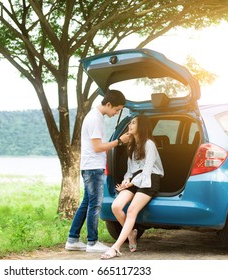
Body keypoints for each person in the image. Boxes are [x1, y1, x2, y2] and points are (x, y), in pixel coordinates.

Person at [65, 89, 131, 253]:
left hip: (90, 167)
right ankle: (92, 242)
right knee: (95, 205)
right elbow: (98, 147)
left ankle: (72, 240)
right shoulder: (95, 119)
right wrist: (119, 141)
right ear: (108, 104)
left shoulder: (95, 116)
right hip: (93, 168)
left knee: (86, 203)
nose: (116, 113)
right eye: (116, 110)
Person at [100, 114, 164, 259]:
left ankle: (115, 248)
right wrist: (126, 181)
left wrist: (132, 182)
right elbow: (130, 170)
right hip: (135, 179)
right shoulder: (132, 145)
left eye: (133, 123)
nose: (130, 125)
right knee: (116, 206)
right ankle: (130, 233)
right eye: (130, 123)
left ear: (141, 127)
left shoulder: (149, 144)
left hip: (149, 180)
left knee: (131, 211)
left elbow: (147, 170)